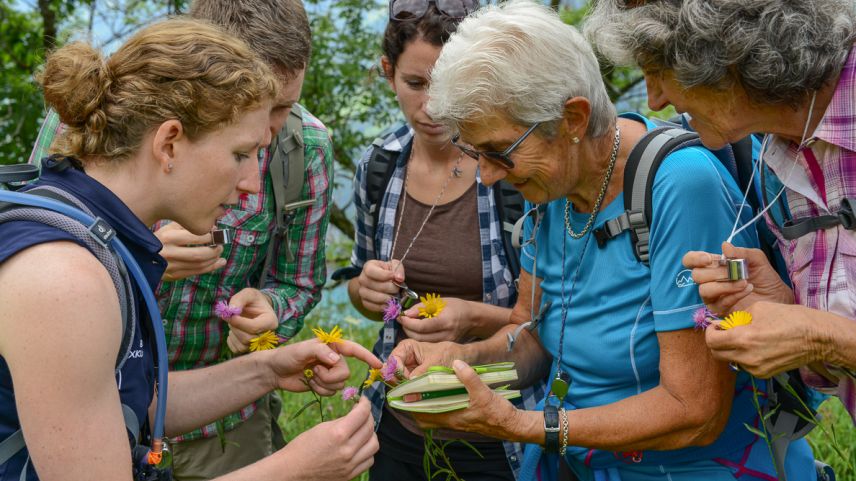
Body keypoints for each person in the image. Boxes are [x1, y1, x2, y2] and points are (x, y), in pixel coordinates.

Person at [389, 2, 816, 480]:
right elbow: (537, 334)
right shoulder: (551, 184)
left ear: (572, 119)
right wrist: (463, 360)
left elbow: (695, 410)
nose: (487, 177)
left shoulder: (678, 184)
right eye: (474, 153)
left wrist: (522, 425)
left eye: (497, 153)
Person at [0, 18, 380, 481]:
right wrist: (297, 469)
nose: (251, 183)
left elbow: (129, 395)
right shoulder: (66, 280)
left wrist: (265, 369)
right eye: (241, 154)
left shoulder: (92, 228)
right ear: (169, 143)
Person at [585, 0, 856, 423]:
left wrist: (820, 335)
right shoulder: (777, 159)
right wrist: (786, 310)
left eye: (657, 70)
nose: (655, 100)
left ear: (723, 53)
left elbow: (832, 339)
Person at [346, 0, 543, 479]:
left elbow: (553, 322)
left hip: (501, 435)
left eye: (448, 83)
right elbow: (362, 289)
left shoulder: (515, 172)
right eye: (415, 84)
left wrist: (470, 316)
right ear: (388, 72)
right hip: (400, 427)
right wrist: (365, 290)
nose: (431, 105)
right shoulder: (378, 166)